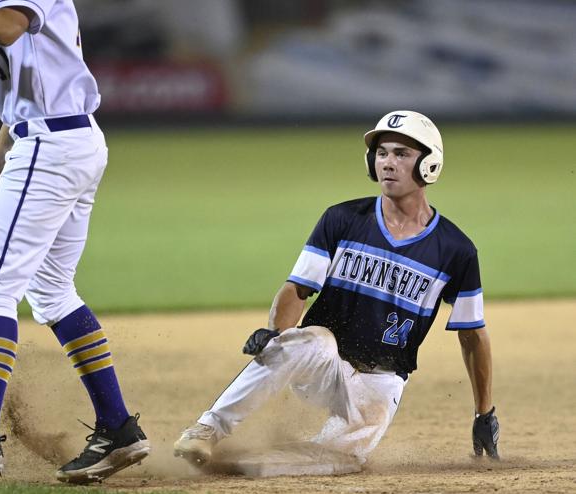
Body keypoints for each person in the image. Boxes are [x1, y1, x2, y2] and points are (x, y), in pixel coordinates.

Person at [173, 110, 500, 467]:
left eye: (401, 154)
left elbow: (472, 335)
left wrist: (484, 413)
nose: (388, 163)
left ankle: (239, 467)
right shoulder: (342, 219)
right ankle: (206, 430)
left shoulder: (456, 250)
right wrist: (276, 333)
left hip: (381, 383)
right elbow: (298, 288)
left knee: (338, 461)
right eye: (382, 153)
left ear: (429, 165)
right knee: (311, 339)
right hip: (323, 362)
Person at [0, 0, 149, 484]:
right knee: (52, 290)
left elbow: (8, 29)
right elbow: (34, 71)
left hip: (52, 148)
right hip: (61, 140)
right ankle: (117, 428)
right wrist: (1, 143)